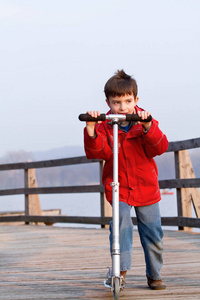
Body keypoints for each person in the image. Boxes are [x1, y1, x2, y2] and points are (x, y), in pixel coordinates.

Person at [83, 70, 168, 290]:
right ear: (108, 102)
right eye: (117, 102)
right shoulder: (105, 125)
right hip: (119, 186)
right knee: (121, 227)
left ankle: (154, 274)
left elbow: (159, 147)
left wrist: (149, 126)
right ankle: (119, 272)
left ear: (136, 100)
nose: (123, 107)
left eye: (128, 101)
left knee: (153, 231)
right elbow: (98, 152)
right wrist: (91, 128)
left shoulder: (143, 121)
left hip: (146, 186)